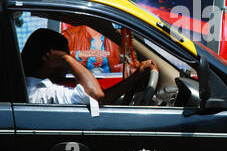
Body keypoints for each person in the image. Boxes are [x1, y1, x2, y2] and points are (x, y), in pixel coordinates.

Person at [21, 28, 158, 105]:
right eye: (65, 53)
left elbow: (104, 98)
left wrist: (134, 78)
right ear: (51, 59)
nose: (69, 61)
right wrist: (67, 59)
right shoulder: (41, 93)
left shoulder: (31, 88)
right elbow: (95, 94)